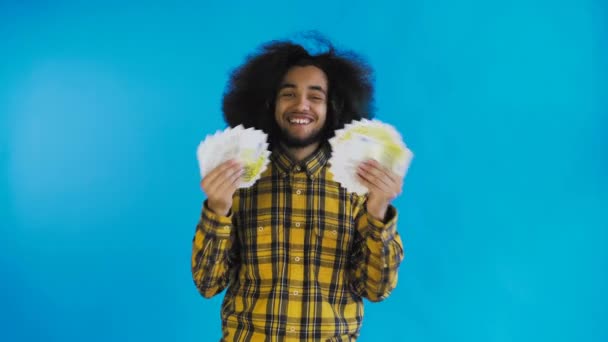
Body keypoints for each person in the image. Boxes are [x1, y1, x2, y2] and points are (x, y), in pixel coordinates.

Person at [192, 34, 406, 341]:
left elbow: (376, 289)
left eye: (315, 96)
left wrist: (378, 209)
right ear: (270, 103)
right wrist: (217, 208)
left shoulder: (359, 185)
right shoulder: (238, 177)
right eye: (288, 94)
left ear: (333, 107)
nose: (301, 105)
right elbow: (208, 283)